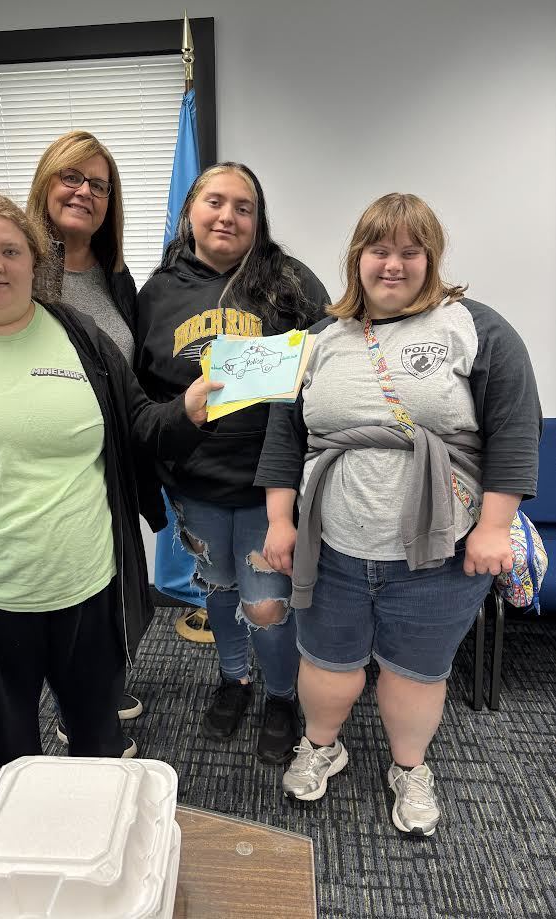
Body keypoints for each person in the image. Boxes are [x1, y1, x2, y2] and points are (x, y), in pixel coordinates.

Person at [0, 192, 218, 768]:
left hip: (87, 588)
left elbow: (141, 429)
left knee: (99, 748)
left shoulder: (82, 339)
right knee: (9, 757)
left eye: (10, 250)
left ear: (36, 262)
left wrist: (190, 409)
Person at [255, 192, 541, 833]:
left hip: (439, 551)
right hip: (332, 546)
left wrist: (494, 528)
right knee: (326, 664)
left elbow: (515, 433)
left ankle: (410, 769)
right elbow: (283, 437)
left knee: (416, 670)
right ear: (356, 259)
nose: (394, 264)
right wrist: (280, 521)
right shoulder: (317, 340)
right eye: (379, 250)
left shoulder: (476, 328)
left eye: (411, 251)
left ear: (431, 260)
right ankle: (322, 747)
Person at [137, 162, 330, 765]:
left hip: (267, 488)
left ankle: (280, 695)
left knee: (266, 604)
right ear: (191, 210)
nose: (227, 216)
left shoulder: (292, 283)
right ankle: (232, 679)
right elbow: (141, 389)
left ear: (258, 219)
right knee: (216, 591)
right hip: (194, 485)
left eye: (243, 207)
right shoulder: (157, 292)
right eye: (214, 202)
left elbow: (326, 367)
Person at [26, 130, 145, 735]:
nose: (84, 192)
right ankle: (79, 718)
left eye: (99, 185)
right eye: (71, 177)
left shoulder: (114, 277)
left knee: (112, 593)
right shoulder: (14, 266)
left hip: (106, 469)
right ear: (45, 182)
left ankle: (99, 692)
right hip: (37, 470)